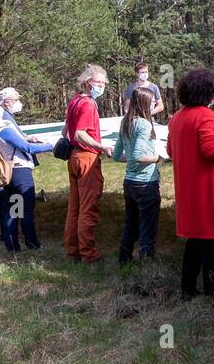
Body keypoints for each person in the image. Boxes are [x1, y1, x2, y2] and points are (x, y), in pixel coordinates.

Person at [168, 68, 214, 304]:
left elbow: (170, 150)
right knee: (213, 241)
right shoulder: (206, 117)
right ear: (210, 92)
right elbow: (211, 150)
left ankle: (188, 289)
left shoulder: (177, 117)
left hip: (189, 187)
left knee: (196, 240)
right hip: (208, 189)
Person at [0, 87, 52, 253]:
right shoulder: (3, 129)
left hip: (7, 172)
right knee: (25, 209)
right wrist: (51, 146)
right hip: (19, 172)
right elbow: (26, 147)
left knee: (13, 209)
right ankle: (31, 242)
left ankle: (12, 245)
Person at [64, 65, 112, 264]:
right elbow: (79, 134)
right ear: (87, 82)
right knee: (87, 208)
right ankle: (88, 254)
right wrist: (101, 146)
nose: (101, 86)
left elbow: (65, 131)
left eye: (103, 83)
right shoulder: (88, 104)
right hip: (86, 157)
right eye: (97, 82)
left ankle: (72, 251)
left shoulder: (74, 101)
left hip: (74, 157)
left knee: (74, 208)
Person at [113, 85, 161, 263]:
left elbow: (117, 155)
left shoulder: (126, 121)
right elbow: (139, 156)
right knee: (148, 226)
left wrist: (133, 160)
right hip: (146, 184)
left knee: (130, 224)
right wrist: (158, 158)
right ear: (144, 103)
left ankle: (124, 260)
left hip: (129, 183)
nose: (154, 104)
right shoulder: (144, 124)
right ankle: (147, 267)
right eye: (152, 102)